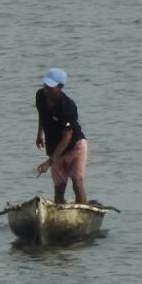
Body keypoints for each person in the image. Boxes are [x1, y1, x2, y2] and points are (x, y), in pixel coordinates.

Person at [34, 67, 88, 203]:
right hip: (55, 147)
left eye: (50, 86)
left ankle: (81, 215)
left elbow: (67, 137)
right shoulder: (40, 96)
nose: (46, 89)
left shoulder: (67, 106)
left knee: (77, 182)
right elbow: (42, 113)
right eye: (45, 84)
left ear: (60, 87)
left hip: (75, 147)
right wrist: (39, 133)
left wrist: (49, 162)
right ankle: (58, 218)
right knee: (59, 187)